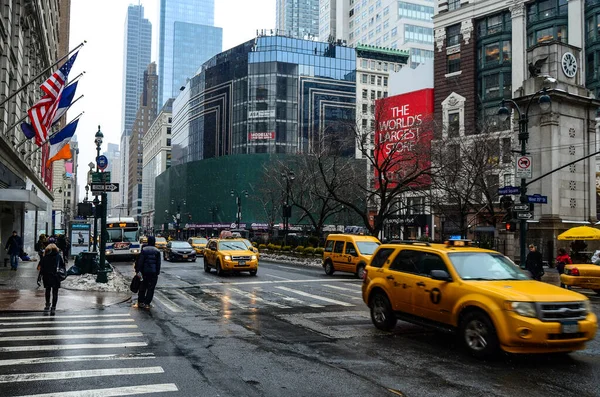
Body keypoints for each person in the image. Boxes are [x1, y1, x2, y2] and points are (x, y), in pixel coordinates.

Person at [134, 236, 161, 309]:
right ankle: (147, 303)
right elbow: (158, 264)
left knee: (143, 287)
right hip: (153, 273)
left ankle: (140, 301)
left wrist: (138, 271)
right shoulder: (157, 251)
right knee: (151, 288)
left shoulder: (144, 250)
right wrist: (157, 272)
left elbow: (140, 262)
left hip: (144, 272)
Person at [38, 243, 66, 315]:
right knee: (55, 292)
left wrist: (40, 276)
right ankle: (53, 307)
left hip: (46, 276)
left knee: (47, 291)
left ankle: (47, 305)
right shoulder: (58, 256)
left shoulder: (44, 257)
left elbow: (41, 268)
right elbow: (62, 266)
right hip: (56, 276)